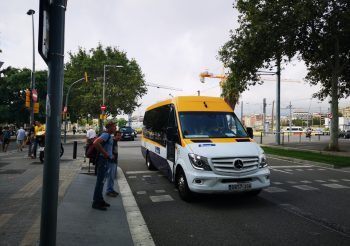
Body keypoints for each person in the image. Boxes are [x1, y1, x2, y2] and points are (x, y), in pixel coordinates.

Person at [92, 121, 116, 211]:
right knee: (100, 182)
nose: (115, 128)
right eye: (114, 127)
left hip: (105, 160)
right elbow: (95, 143)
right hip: (102, 161)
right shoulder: (106, 135)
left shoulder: (108, 136)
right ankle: (96, 202)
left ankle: (100, 200)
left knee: (102, 182)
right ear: (109, 127)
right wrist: (105, 153)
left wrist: (109, 155)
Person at [106, 130, 122, 197]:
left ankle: (111, 189)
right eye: (118, 135)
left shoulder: (115, 142)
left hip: (114, 161)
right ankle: (109, 190)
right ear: (115, 136)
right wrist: (110, 155)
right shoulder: (113, 141)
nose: (119, 137)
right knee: (110, 176)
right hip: (111, 162)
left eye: (120, 135)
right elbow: (108, 149)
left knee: (112, 177)